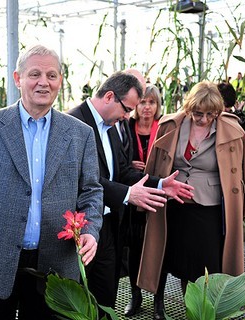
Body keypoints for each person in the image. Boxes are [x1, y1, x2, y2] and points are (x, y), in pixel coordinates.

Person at [0, 45, 104, 320]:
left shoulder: (80, 134)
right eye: (35, 74)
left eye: (51, 75)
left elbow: (91, 190)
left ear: (60, 80)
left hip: (55, 261)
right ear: (18, 78)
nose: (43, 82)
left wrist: (90, 229)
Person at [66, 71, 194, 311]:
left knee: (106, 296)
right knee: (78, 299)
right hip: (80, 227)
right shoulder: (73, 123)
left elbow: (122, 171)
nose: (128, 116)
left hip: (111, 225)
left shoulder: (112, 125)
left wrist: (159, 184)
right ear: (109, 97)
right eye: (126, 108)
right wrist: (126, 195)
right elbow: (81, 181)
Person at [137, 82, 245, 318]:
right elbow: (154, 164)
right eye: (198, 114)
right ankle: (170, 305)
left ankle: (200, 311)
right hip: (173, 206)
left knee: (205, 266)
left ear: (218, 111)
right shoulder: (171, 125)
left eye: (210, 115)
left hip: (208, 209)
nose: (203, 119)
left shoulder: (233, 131)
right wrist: (147, 194)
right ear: (189, 108)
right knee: (173, 259)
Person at [122, 84, 166, 318]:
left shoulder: (165, 128)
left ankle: (159, 301)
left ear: (158, 106)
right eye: (142, 102)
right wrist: (129, 164)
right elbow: (118, 159)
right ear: (135, 105)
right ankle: (135, 295)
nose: (147, 107)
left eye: (152, 102)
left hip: (159, 196)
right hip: (135, 196)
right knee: (136, 249)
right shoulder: (127, 127)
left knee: (161, 249)